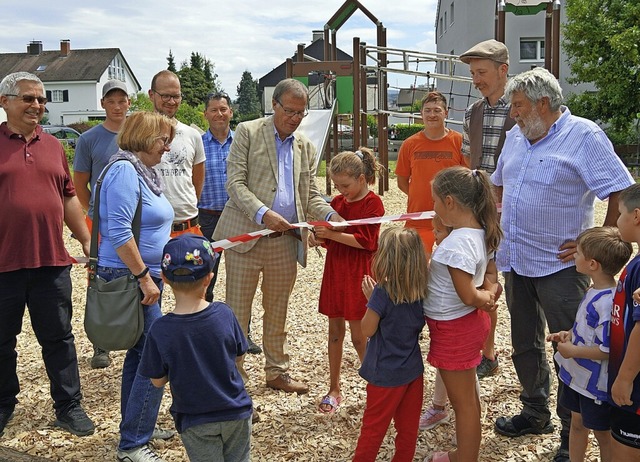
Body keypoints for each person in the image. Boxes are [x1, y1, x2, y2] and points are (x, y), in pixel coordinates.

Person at [490, 67, 634, 462]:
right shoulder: (516, 136)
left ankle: (575, 436)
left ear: (542, 104)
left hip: (560, 267)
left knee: (573, 348)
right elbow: (498, 181)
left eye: (518, 105)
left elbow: (620, 190)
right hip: (516, 258)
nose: (513, 113)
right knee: (525, 343)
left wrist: (596, 245)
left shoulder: (584, 136)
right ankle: (534, 412)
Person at [213, 78, 344, 396]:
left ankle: (277, 371)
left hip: (285, 243)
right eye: (290, 111)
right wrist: (262, 214)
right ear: (273, 105)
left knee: (278, 310)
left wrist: (331, 216)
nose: (296, 118)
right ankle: (234, 379)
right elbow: (235, 183)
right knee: (236, 312)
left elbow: (310, 193)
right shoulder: (247, 131)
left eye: (301, 113)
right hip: (245, 240)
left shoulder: (305, 146)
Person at [0, 71, 94, 437]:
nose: (37, 106)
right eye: (28, 98)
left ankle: (68, 406)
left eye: (41, 100)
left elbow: (68, 196)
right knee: (1, 342)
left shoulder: (54, 146)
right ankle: (4, 402)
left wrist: (85, 239)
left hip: (50, 262)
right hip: (4, 265)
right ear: (5, 101)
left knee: (59, 338)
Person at [95, 111, 176, 462]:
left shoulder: (141, 170)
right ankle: (132, 444)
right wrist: (144, 276)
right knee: (155, 356)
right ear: (144, 138)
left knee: (141, 354)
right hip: (131, 277)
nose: (167, 147)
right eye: (163, 140)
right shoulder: (125, 171)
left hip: (141, 275)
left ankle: (138, 423)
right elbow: (118, 232)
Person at [139, 234, 252, 462]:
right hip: (236, 412)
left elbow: (157, 381)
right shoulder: (224, 314)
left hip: (195, 418)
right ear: (209, 278)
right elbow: (239, 355)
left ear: (164, 278)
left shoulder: (160, 329)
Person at [424, 166, 502, 462]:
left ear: (450, 202)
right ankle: (466, 452)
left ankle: (464, 457)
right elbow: (482, 284)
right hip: (465, 325)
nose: (432, 207)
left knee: (463, 404)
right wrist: (490, 293)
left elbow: (469, 295)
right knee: (468, 397)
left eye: (434, 201)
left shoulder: (454, 245)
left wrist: (486, 298)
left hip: (453, 329)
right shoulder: (476, 233)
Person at [546, 227, 632, 462]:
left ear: (592, 264)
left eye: (579, 252)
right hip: (578, 378)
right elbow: (586, 328)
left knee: (603, 434)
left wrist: (574, 351)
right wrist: (569, 335)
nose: (575, 255)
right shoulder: (593, 290)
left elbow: (608, 349)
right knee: (576, 423)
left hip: (595, 385)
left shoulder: (607, 303)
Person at [459, 38, 515, 379]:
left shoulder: (523, 108)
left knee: (518, 283)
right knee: (482, 279)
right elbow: (469, 158)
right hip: (482, 210)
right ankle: (486, 352)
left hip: (516, 210)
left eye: (481, 72)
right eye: (473, 73)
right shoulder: (472, 112)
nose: (476, 79)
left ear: (503, 70)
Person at [314, 148, 385, 414]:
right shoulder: (338, 203)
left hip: (359, 273)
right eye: (337, 185)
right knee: (334, 332)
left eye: (345, 185)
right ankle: (334, 387)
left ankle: (375, 385)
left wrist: (331, 235)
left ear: (362, 178)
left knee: (359, 335)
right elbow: (330, 236)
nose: (341, 190)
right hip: (337, 270)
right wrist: (318, 237)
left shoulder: (372, 203)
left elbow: (368, 242)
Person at [352, 227, 429, 461]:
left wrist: (371, 301)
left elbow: (367, 329)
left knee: (373, 430)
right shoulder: (422, 292)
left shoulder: (382, 293)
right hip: (413, 372)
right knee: (408, 431)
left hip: (385, 375)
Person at [73, 79, 131, 370]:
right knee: (101, 279)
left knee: (136, 275)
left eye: (122, 101)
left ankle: (136, 334)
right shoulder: (90, 139)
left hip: (135, 220)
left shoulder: (137, 135)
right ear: (103, 104)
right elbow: (80, 182)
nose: (117, 106)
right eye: (112, 101)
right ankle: (101, 344)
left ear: (129, 103)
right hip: (101, 223)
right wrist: (92, 211)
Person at [198, 91, 261, 355]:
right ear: (206, 115)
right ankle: (202, 333)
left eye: (223, 109)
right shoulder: (198, 144)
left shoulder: (244, 143)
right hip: (207, 218)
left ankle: (242, 334)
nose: (219, 114)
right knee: (204, 279)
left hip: (238, 217)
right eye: (213, 110)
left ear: (231, 112)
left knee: (242, 280)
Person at [395, 91, 466, 254]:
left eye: (437, 110)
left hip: (450, 221)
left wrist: (444, 203)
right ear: (421, 114)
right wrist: (422, 196)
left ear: (446, 113)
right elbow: (402, 182)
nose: (432, 114)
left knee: (449, 274)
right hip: (418, 220)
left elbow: (466, 181)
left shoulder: (459, 142)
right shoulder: (409, 144)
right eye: (427, 110)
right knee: (417, 272)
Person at [149, 70, 206, 237]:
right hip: (152, 229)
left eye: (176, 96)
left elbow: (197, 178)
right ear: (151, 95)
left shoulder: (192, 135)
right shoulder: (138, 135)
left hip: (187, 226)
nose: (171, 101)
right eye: (165, 96)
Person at [609, 184, 640, 459]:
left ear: (636, 216)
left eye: (619, 213)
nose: (616, 221)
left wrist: (625, 377)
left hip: (635, 387)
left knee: (625, 452)